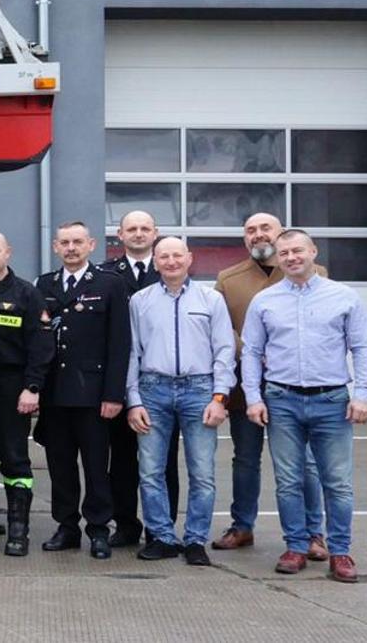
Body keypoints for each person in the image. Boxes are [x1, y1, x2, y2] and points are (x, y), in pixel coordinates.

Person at [242, 229, 367, 583]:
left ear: (313, 251)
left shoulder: (344, 296)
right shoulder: (265, 301)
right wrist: (254, 398)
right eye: (284, 253)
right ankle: (296, 547)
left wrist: (362, 395)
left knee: (338, 482)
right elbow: (252, 352)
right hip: (282, 400)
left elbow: (362, 347)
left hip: (332, 401)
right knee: (288, 481)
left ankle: (341, 551)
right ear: (278, 258)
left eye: (297, 250)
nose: (291, 257)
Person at [213, 212, 328, 558]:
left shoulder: (313, 274)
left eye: (266, 229)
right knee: (245, 459)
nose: (258, 235)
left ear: (282, 236)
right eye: (251, 230)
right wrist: (251, 351)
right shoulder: (228, 279)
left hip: (295, 384)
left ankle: (313, 534)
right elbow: (221, 329)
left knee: (303, 462)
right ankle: (242, 525)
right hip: (244, 387)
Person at [125, 236, 233, 567]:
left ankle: (196, 539)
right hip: (153, 389)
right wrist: (133, 399)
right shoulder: (140, 301)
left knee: (202, 471)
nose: (170, 262)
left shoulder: (211, 299)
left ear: (189, 258)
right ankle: (161, 537)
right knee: (151, 469)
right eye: (163, 257)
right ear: (155, 262)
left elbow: (225, 349)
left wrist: (219, 397)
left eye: (176, 255)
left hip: (200, 390)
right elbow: (131, 351)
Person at [34, 221, 131, 560]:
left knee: (95, 466)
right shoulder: (44, 285)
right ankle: (67, 527)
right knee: (60, 465)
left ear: (91, 245)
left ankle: (99, 529)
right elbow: (39, 341)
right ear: (55, 247)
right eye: (65, 243)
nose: (71, 248)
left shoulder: (109, 284)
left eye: (78, 242)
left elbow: (120, 344)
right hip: (55, 395)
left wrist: (113, 395)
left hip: (93, 395)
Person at [0, 230, 53, 556]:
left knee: (15, 461)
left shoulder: (26, 294)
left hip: (11, 388)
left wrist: (32, 388)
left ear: (8, 253)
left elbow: (41, 346)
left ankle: (19, 531)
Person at [106, 210, 165, 547]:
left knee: (163, 461)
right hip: (120, 381)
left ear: (155, 232)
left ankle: (162, 527)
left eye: (145, 228)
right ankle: (126, 524)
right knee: (123, 460)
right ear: (120, 234)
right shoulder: (108, 274)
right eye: (132, 229)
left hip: (162, 379)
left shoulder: (169, 271)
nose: (139, 234)